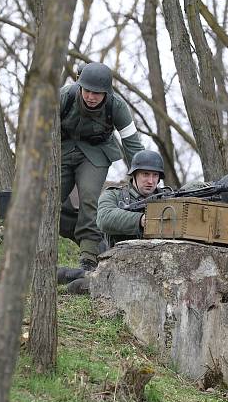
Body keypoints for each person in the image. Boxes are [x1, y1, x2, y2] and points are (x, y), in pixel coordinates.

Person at [57, 62, 144, 286]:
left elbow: (132, 144)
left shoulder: (117, 107)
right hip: (61, 150)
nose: (91, 97)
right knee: (49, 197)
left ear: (106, 93)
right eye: (87, 91)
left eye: (97, 93)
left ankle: (88, 256)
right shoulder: (64, 97)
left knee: (89, 198)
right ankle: (31, 247)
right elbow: (37, 130)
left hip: (95, 154)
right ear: (79, 86)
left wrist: (141, 172)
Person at [64, 149, 167, 295]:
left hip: (156, 267)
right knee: (78, 285)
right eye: (145, 174)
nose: (150, 181)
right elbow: (104, 218)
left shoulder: (168, 199)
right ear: (134, 174)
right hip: (117, 264)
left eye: (155, 175)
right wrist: (141, 220)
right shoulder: (114, 195)